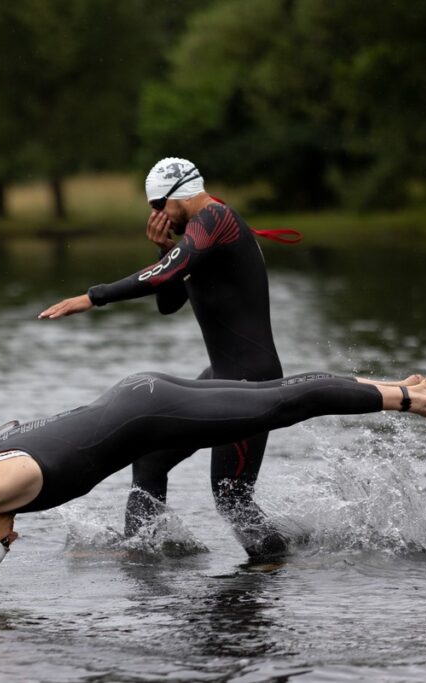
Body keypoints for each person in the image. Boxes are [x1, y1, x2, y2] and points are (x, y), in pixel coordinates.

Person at [0, 372, 426, 602]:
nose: (16, 536)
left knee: (276, 403)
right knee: (266, 398)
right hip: (138, 401)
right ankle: (404, 393)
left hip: (150, 410)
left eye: (3, 544)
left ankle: (410, 395)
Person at [39, 157, 300, 557]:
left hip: (251, 383)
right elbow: (169, 300)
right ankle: (143, 550)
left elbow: (163, 275)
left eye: (159, 205)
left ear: (178, 195)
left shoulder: (215, 219)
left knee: (232, 500)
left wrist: (93, 297)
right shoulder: (200, 234)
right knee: (150, 458)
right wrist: (165, 248)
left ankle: (278, 564)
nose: (156, 215)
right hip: (221, 376)